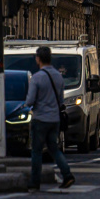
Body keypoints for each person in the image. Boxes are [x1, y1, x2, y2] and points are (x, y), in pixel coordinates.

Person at [25, 46, 75, 191]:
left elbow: (30, 101)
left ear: (38, 59)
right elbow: (61, 100)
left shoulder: (37, 77)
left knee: (36, 151)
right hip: (54, 119)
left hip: (40, 118)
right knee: (54, 148)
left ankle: (35, 181)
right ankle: (67, 174)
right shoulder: (58, 76)